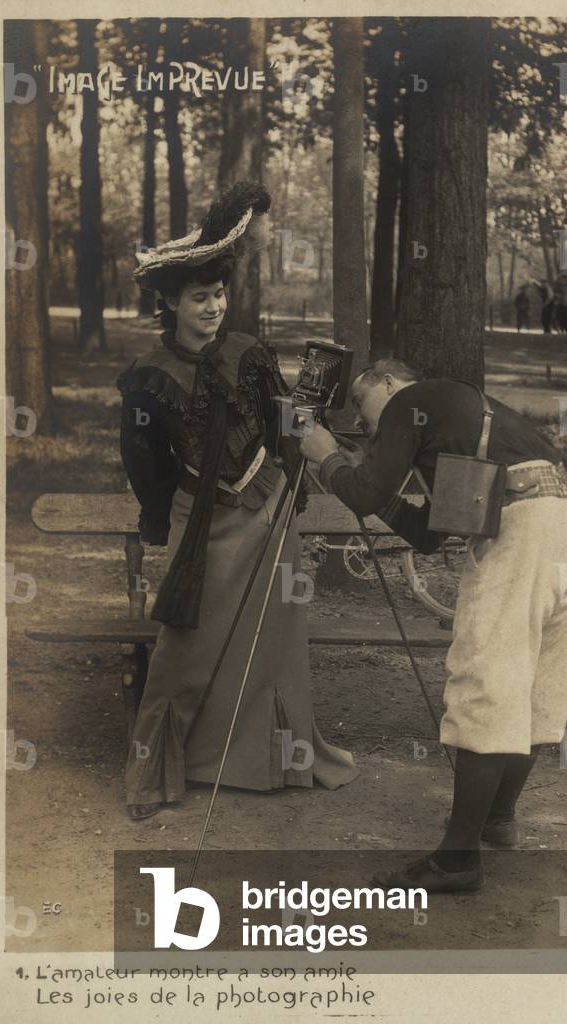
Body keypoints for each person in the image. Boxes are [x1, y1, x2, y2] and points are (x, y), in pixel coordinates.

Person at [299, 360, 567, 893]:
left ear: (387, 383)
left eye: (367, 416)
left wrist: (324, 459)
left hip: (523, 532)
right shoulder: (462, 417)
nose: (371, 432)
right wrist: (355, 471)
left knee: (483, 684)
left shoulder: (412, 402)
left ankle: (458, 861)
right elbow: (428, 535)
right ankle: (496, 818)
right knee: (533, 685)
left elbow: (365, 495)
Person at [116, 181, 358, 820]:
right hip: (205, 525)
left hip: (271, 511)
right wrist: (153, 518)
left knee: (272, 640)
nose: (214, 307)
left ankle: (269, 763)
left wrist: (309, 428)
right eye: (200, 298)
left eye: (220, 294)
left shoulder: (249, 351)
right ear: (170, 302)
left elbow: (284, 424)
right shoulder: (147, 377)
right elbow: (143, 463)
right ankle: (156, 774)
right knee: (183, 648)